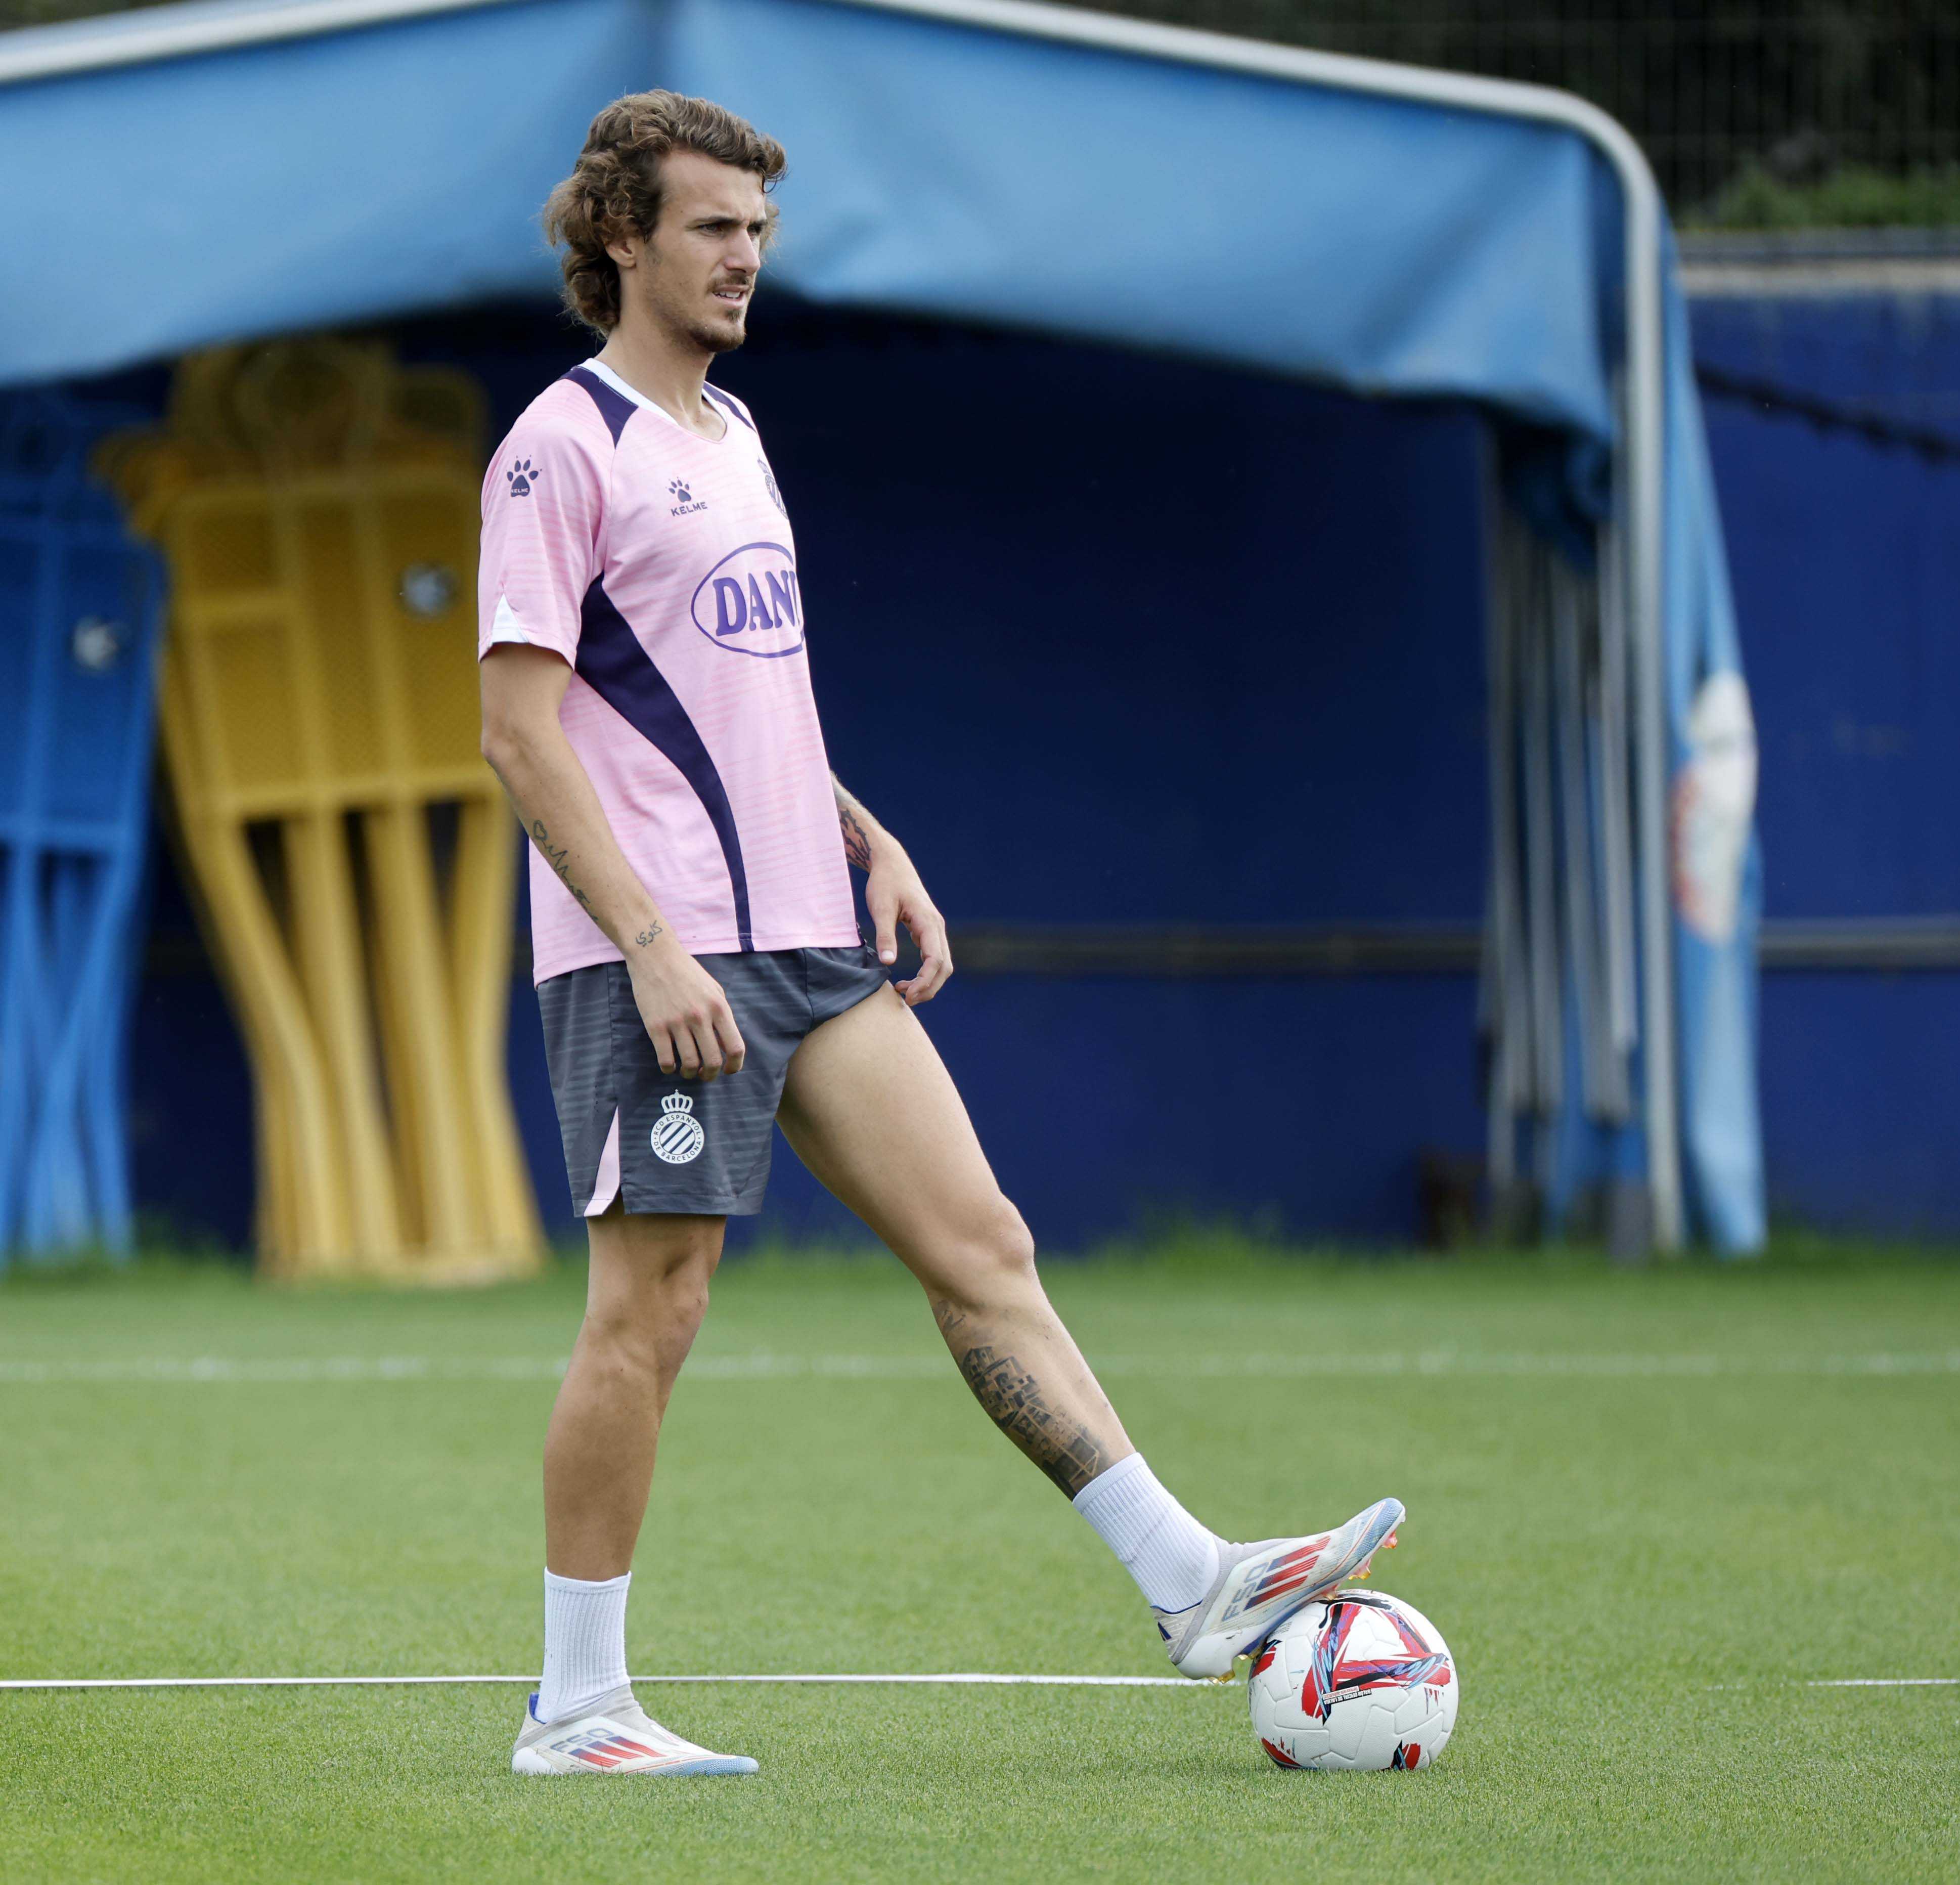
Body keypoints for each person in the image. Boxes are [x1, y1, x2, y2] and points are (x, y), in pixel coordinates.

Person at [477, 90, 1402, 1777]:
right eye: (713, 227)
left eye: (760, 230)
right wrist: (653, 943)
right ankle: (577, 1708)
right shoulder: (561, 444)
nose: (747, 256)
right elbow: (521, 734)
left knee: (982, 1243)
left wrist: (866, 835)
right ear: (621, 236)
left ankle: (1192, 1584)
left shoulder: (735, 433)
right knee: (654, 1309)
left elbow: (739, 697)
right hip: (659, 954)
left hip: (810, 938)